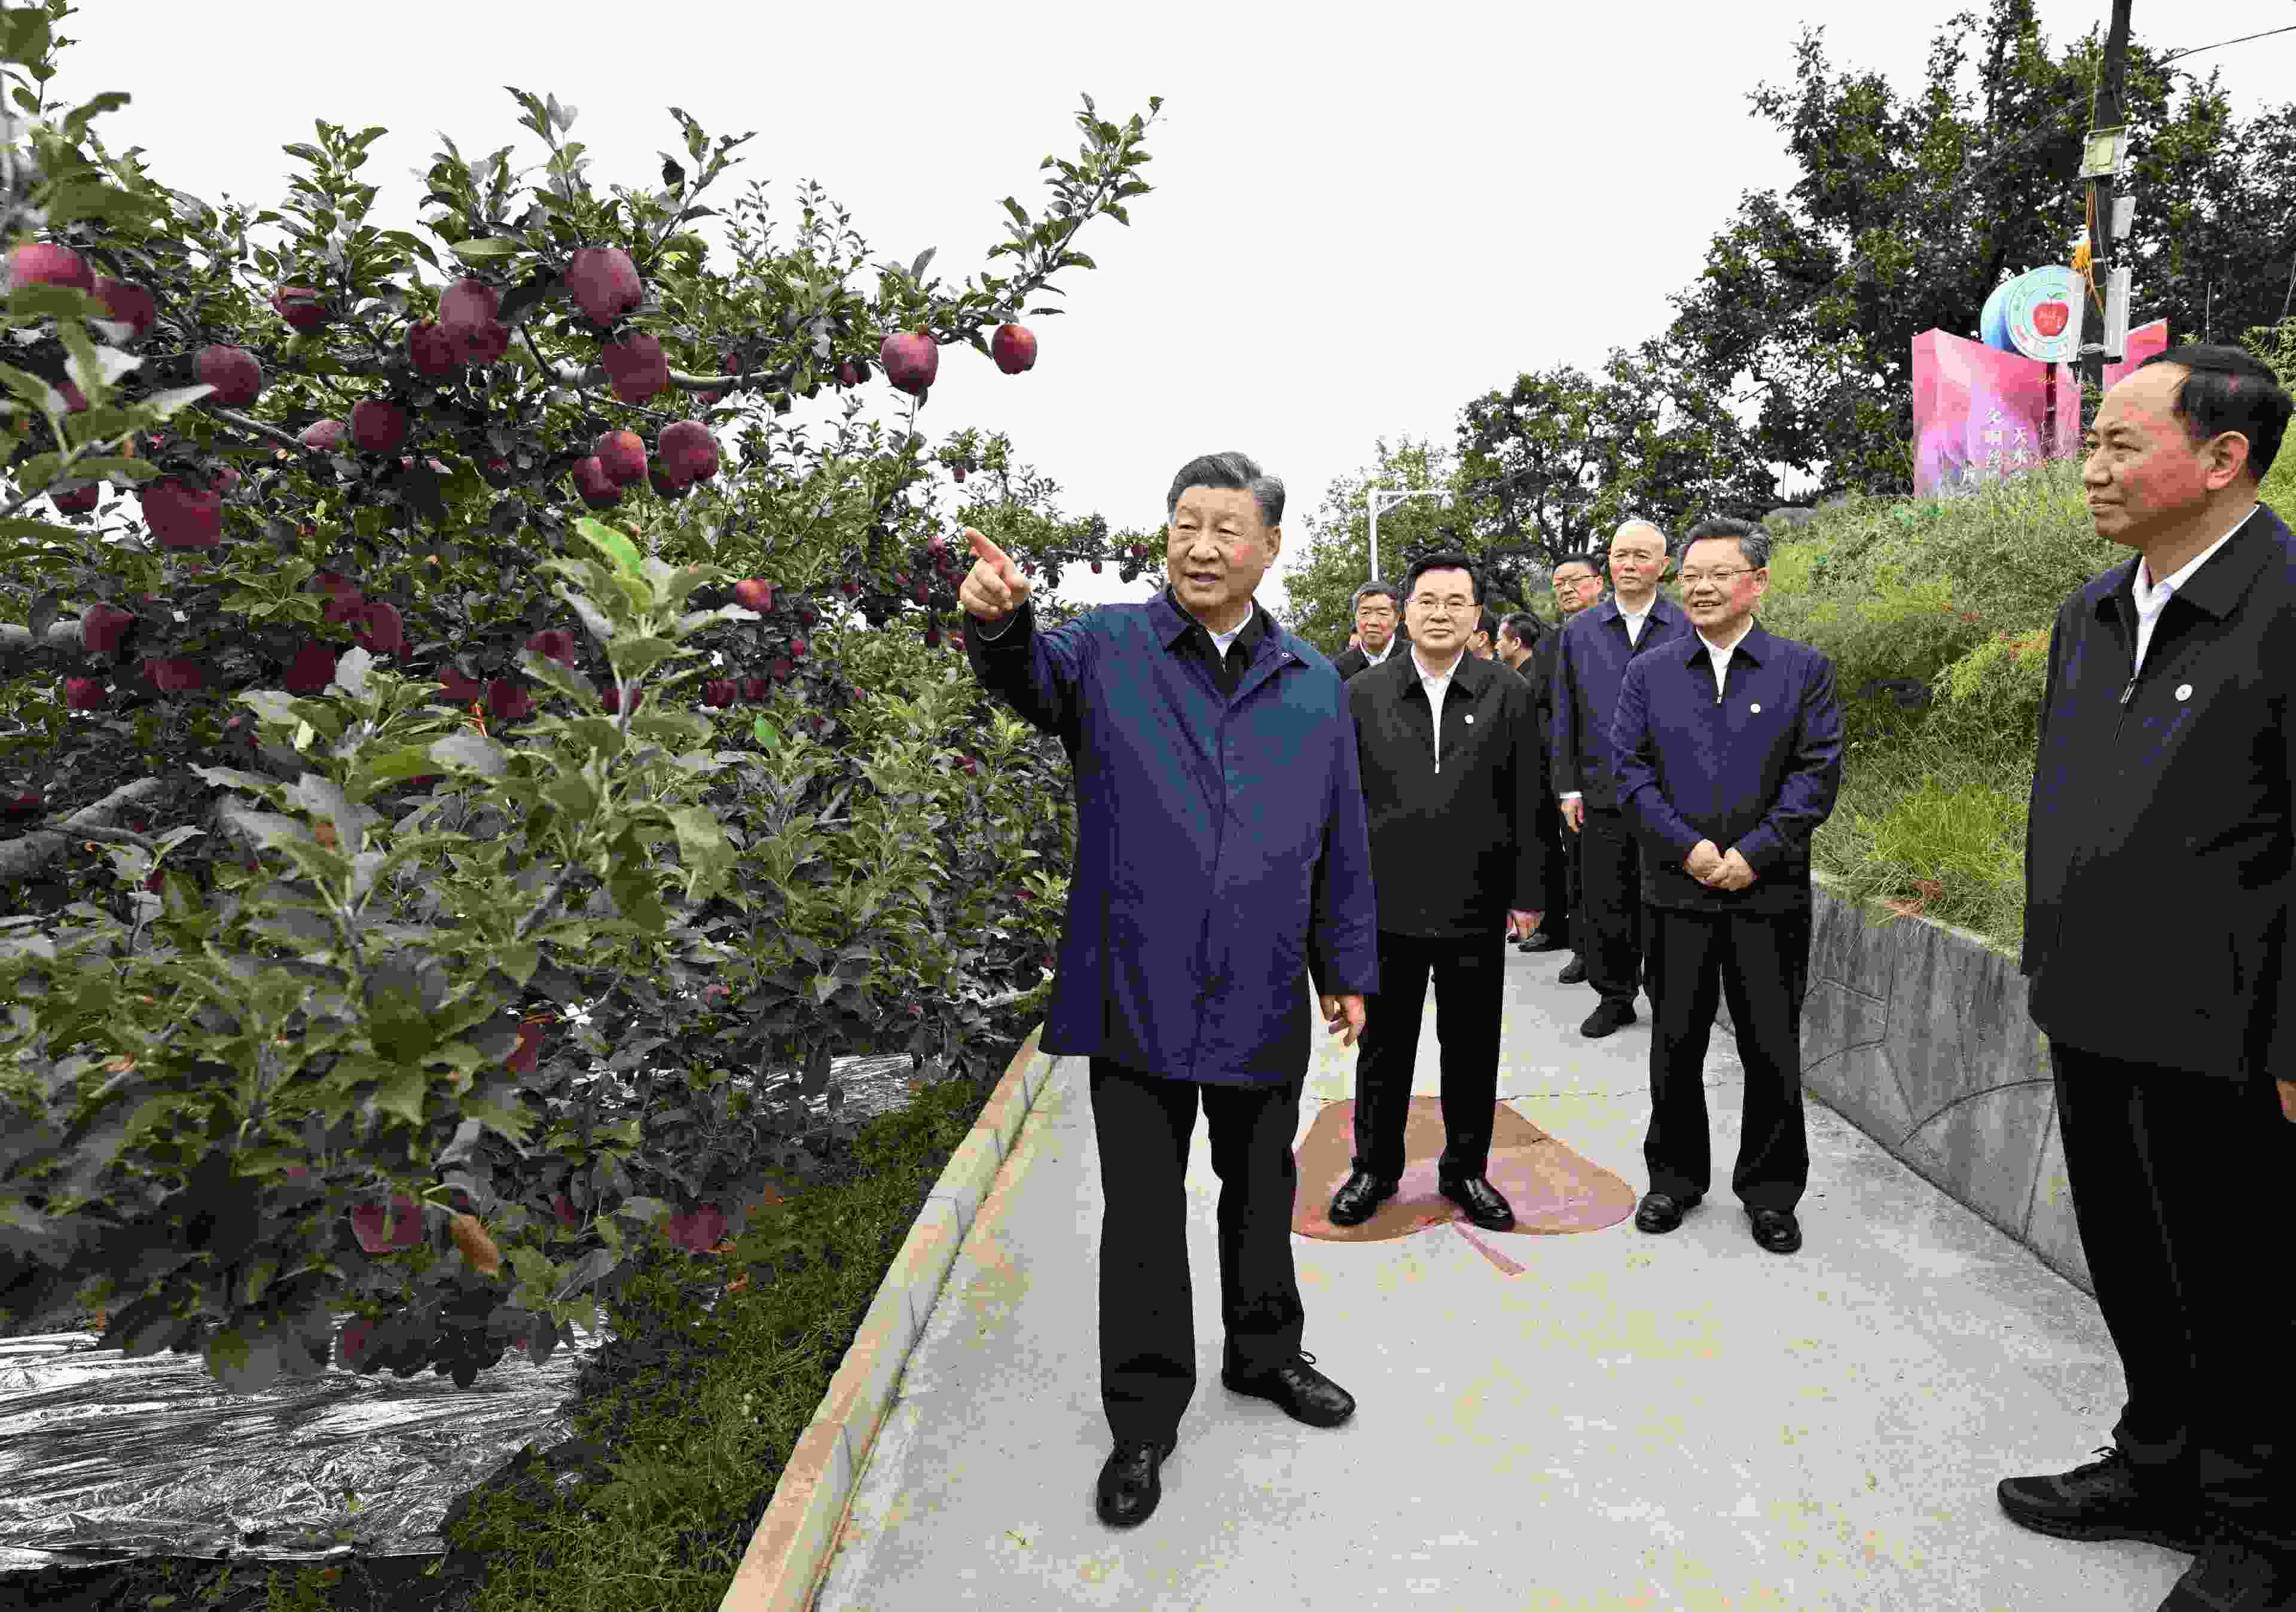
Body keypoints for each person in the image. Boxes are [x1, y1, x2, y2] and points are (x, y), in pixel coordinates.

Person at [958, 450, 1379, 1534]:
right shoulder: (1108, 649)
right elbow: (1028, 676)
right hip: (1135, 986)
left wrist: (1346, 969)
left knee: (1260, 1187)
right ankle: (1143, 1418)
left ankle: (1265, 1354)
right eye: (1186, 523)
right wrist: (1000, 623)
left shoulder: (1314, 682)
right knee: (1144, 1210)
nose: (1201, 546)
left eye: (1226, 528)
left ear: (1269, 547)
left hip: (1260, 985)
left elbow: (1341, 837)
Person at [1996, 345, 2296, 1612]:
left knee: (2247, 1290)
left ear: (2224, 458)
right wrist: (2048, 956)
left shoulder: (2285, 604)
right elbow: (2064, 799)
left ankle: (2261, 1538)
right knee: (2132, 1260)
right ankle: (2159, 1465)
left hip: (2228, 1029)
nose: (2094, 468)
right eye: (2094, 445)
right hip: (2093, 1004)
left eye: (2123, 444)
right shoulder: (2095, 612)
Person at [1610, 515, 1843, 1257]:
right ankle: (1673, 1178)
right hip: (1675, 894)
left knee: (1770, 1046)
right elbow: (1629, 772)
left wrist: (1755, 852)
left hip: (1767, 896)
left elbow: (1816, 775)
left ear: (1758, 582)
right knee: (1674, 1042)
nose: (1702, 587)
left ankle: (1771, 1192)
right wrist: (1688, 849)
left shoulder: (1801, 669)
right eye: (1692, 575)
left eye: (1719, 574)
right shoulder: (1649, 673)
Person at [1327, 551, 1545, 1235]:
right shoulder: (1361, 694)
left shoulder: (1508, 692)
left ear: (1476, 615)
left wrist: (1528, 892)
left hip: (1474, 904)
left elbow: (1529, 797)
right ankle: (1374, 1168)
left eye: (1456, 602)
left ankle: (1466, 1169)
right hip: (1384, 906)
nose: (1441, 613)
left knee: (1472, 1049)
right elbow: (1340, 805)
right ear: (1405, 612)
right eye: (1428, 600)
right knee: (1382, 1049)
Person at [1551, 521, 1690, 1036]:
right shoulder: (1580, 632)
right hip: (1600, 791)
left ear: (1664, 566)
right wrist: (1568, 787)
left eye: (1641, 556)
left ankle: (1668, 996)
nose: (1629, 565)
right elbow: (1564, 713)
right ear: (1608, 562)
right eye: (1620, 555)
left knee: (1666, 902)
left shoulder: (1685, 625)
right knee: (1606, 902)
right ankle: (1615, 996)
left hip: (1670, 795)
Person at [1534, 555, 1607, 975]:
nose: (1565, 588)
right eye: (1558, 582)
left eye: (1574, 580)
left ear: (1599, 583)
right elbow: (1545, 710)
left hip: (1626, 771)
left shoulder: (1619, 634)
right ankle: (1585, 949)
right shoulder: (1551, 643)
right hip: (1572, 776)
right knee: (1579, 865)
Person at [1495, 609, 1566, 953]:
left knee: (1548, 853)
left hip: (1542, 778)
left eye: (1501, 638)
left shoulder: (1535, 678)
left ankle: (1554, 925)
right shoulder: (1515, 677)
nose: (1497, 645)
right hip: (1530, 777)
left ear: (1516, 642)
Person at [1332, 581, 1404, 679]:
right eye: (1365, 613)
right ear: (1355, 617)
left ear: (1397, 618)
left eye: (1382, 614)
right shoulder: (1339, 669)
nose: (1373, 622)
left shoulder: (1417, 659)